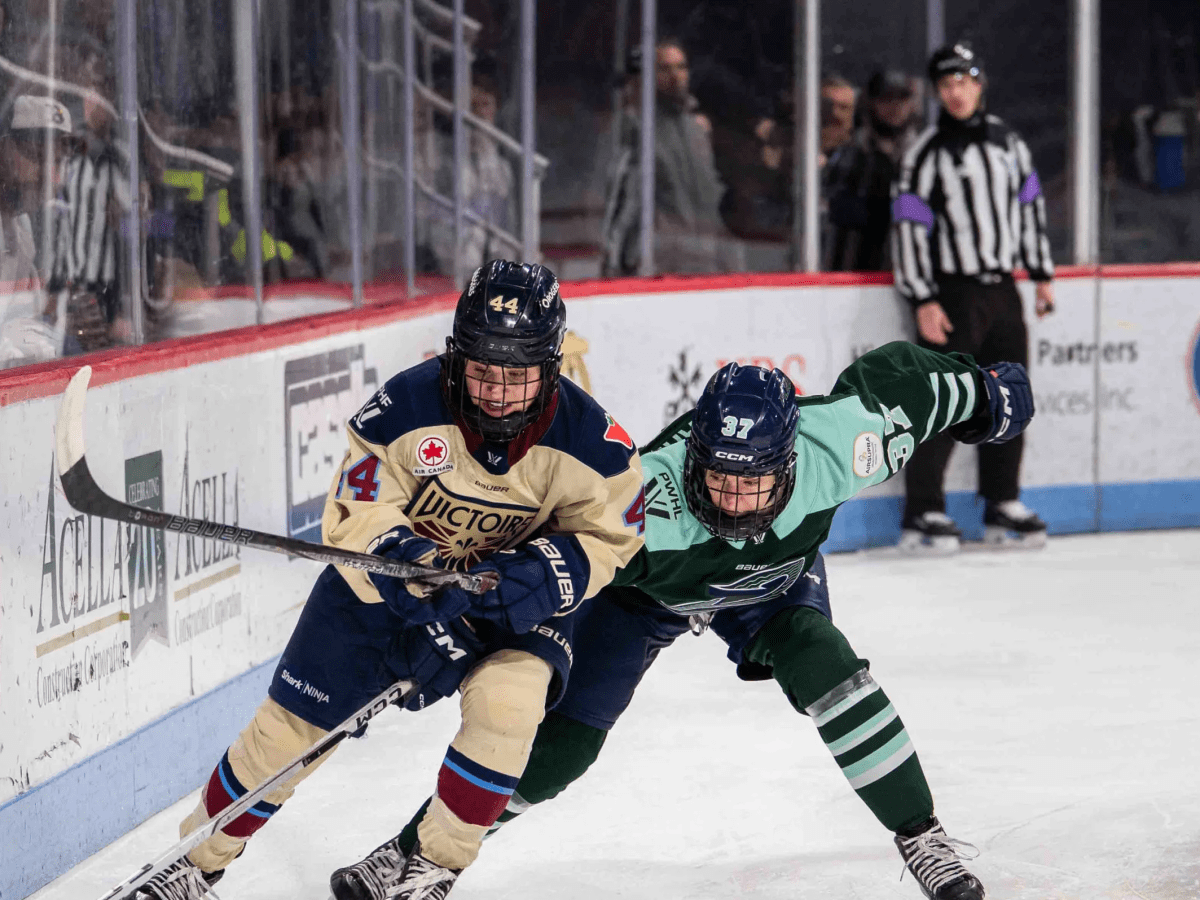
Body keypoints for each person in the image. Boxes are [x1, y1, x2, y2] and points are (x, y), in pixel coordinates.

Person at [336, 340, 1037, 900]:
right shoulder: (647, 505)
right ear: (695, 458)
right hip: (647, 600)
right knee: (565, 752)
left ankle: (922, 836)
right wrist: (479, 605)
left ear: (789, 462)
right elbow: (553, 562)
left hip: (773, 588)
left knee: (830, 668)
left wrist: (984, 391)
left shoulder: (842, 442)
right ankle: (415, 854)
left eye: (752, 481)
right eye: (718, 479)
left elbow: (908, 381)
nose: (733, 502)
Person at [132, 260, 645, 899]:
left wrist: (545, 572)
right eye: (483, 372)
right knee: (285, 735)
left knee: (508, 710)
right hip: (387, 595)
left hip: (510, 607)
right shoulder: (404, 406)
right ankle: (194, 862)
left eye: (517, 377)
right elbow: (355, 511)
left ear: (552, 367)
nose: (496, 393)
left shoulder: (594, 442)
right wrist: (398, 558)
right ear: (457, 358)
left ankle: (432, 866)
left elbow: (612, 538)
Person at [892, 42, 1056, 552]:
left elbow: (1030, 207)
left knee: (1011, 398)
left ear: (979, 84)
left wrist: (1041, 274)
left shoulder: (1009, 142)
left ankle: (1002, 500)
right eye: (946, 85)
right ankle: (923, 511)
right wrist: (922, 297)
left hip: (1003, 289)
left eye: (963, 81)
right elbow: (909, 226)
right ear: (938, 93)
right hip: (954, 292)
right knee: (945, 401)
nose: (956, 92)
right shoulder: (926, 151)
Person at [599, 38, 740, 277]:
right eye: (664, 68)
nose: (676, 75)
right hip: (658, 265)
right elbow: (620, 202)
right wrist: (613, 263)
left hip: (705, 262)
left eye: (681, 67)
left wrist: (725, 255)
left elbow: (711, 196)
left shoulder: (697, 129)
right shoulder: (634, 128)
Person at [823, 69, 919, 271]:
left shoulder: (921, 154)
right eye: (886, 99)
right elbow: (834, 210)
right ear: (872, 103)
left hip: (904, 272)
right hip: (852, 271)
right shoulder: (852, 151)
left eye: (901, 99)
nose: (895, 107)